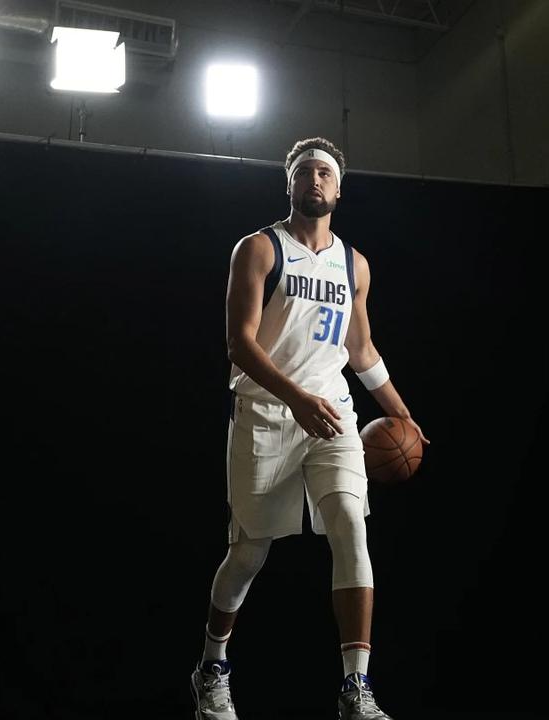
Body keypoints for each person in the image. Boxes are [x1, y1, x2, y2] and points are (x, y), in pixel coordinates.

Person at [190, 137, 429, 720]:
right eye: (305, 172)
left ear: (339, 189)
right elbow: (238, 344)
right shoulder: (259, 249)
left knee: (350, 524)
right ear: (289, 184)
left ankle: (356, 688)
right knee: (248, 554)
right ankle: (212, 667)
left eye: (325, 172)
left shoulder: (354, 264)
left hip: (332, 413)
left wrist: (402, 413)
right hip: (268, 411)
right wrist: (294, 397)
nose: (315, 180)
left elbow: (361, 347)